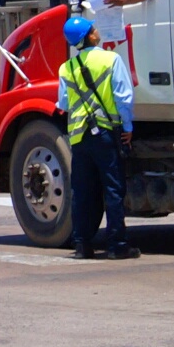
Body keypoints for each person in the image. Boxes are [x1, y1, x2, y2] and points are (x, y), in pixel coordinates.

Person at [57, 15, 137, 260]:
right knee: (113, 189)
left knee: (82, 191)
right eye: (93, 29)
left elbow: (63, 102)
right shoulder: (111, 59)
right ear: (89, 36)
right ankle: (117, 245)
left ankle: (82, 244)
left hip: (79, 137)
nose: (97, 30)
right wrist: (127, 125)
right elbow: (123, 97)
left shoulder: (66, 67)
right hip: (105, 133)